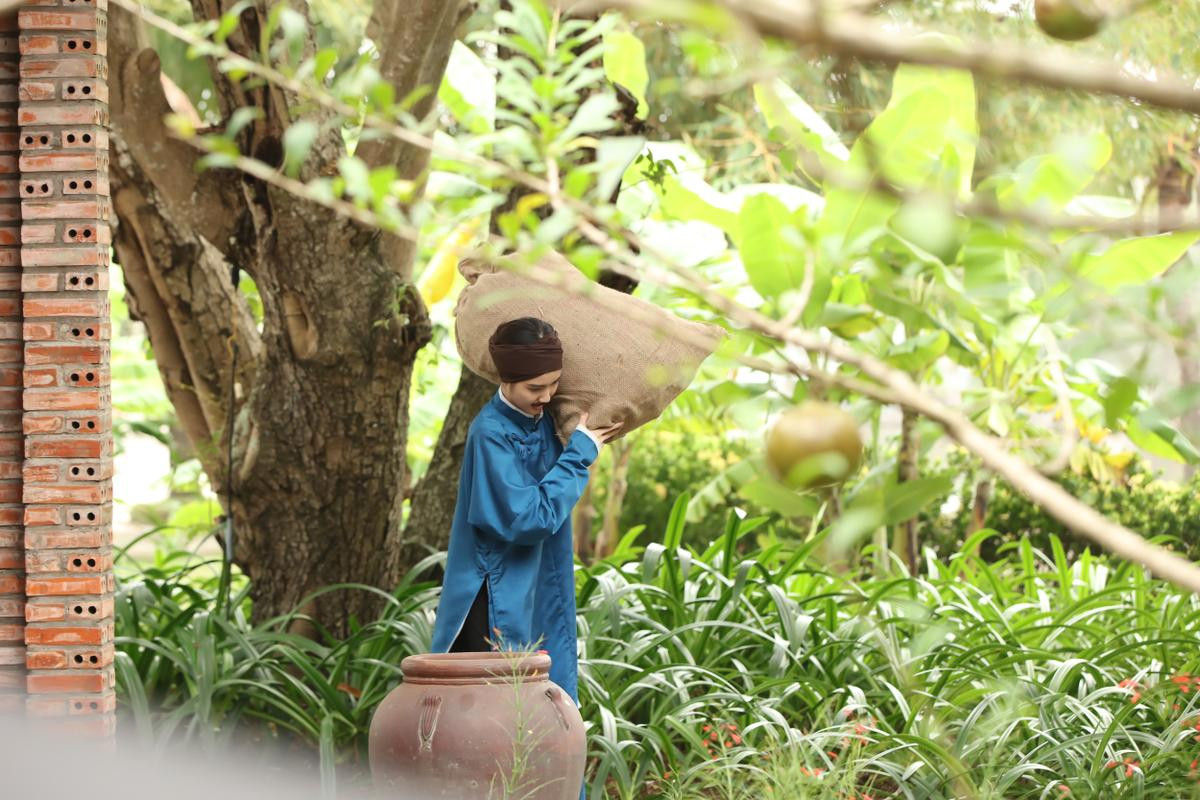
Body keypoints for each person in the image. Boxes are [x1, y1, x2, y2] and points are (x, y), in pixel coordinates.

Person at [430, 317, 622, 710]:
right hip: (495, 593)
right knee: (498, 710)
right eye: (536, 387)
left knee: (546, 699)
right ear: (507, 380)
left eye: (554, 384)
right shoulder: (490, 434)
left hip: (539, 582)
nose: (548, 396)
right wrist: (578, 457)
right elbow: (528, 519)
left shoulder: (545, 421)